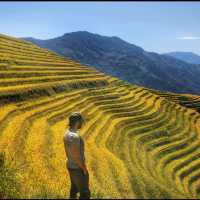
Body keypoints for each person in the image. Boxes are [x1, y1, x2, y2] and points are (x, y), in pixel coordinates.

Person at [63, 112, 90, 199]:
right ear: (78, 122)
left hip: (70, 165)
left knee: (74, 190)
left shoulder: (66, 133)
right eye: (81, 121)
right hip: (77, 168)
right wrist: (84, 169)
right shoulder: (74, 137)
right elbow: (76, 156)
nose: (82, 123)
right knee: (85, 193)